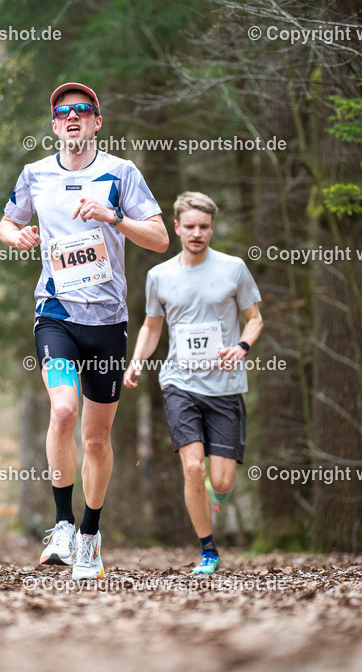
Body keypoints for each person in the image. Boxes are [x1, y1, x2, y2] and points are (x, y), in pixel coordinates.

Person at [0, 82, 169, 579]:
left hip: (108, 321)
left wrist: (113, 217)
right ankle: (62, 524)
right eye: (63, 112)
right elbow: (7, 223)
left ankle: (91, 534)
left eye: (83, 110)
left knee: (96, 440)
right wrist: (19, 236)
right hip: (56, 312)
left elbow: (159, 238)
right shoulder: (35, 174)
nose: (73, 116)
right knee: (64, 410)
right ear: (54, 126)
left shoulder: (121, 172)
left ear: (97, 122)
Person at [123, 191, 263, 575]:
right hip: (179, 382)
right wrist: (136, 362)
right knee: (192, 469)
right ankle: (208, 552)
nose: (197, 233)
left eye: (204, 227)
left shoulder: (233, 269)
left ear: (212, 228)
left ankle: (215, 499)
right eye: (190, 227)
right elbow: (152, 327)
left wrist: (242, 346)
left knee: (220, 481)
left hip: (225, 387)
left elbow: (255, 318)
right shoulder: (159, 276)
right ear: (177, 228)